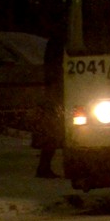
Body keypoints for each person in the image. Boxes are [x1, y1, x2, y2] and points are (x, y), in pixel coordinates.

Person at [34, 22, 65, 178]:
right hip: (58, 91)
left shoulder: (54, 43)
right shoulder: (60, 43)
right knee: (56, 130)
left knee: (54, 130)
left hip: (55, 90)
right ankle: (44, 167)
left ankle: (44, 166)